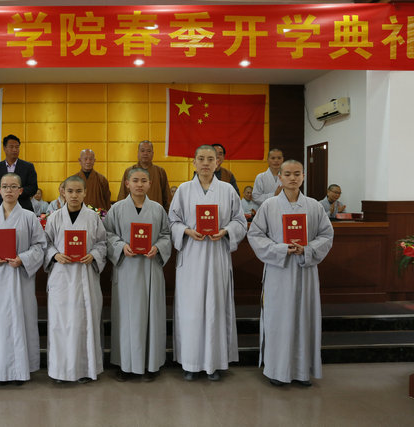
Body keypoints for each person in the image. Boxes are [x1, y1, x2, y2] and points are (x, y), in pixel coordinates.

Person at [247, 160, 334, 387]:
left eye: (297, 174)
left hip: (306, 270)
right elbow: (255, 235)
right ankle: (277, 370)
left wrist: (308, 249)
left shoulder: (314, 206)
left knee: (304, 317)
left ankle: (302, 371)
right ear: (280, 178)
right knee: (279, 319)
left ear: (303, 176)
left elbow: (326, 235)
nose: (292, 178)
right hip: (279, 270)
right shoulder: (269, 206)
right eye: (287, 174)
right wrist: (280, 249)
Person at [168, 145, 247, 382]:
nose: (205, 163)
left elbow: (240, 222)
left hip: (216, 256)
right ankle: (191, 363)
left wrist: (225, 231)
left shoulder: (227, 190)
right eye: (201, 158)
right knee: (190, 310)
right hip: (191, 256)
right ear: (193, 162)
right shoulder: (184, 190)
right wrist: (186, 231)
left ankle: (215, 363)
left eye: (210, 159)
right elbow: (172, 222)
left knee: (215, 307)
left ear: (217, 163)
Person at [0, 173, 46, 385]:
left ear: (20, 191)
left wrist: (23, 259)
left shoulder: (29, 217)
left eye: (13, 186)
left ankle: (20, 370)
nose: (9, 190)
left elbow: (40, 246)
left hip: (20, 278)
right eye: (5, 186)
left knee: (21, 322)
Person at [104, 168, 171, 382]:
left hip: (150, 268)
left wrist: (158, 247)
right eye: (135, 180)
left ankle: (151, 364)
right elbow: (107, 234)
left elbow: (166, 235)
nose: (139, 184)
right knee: (126, 318)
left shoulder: (158, 209)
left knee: (152, 316)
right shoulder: (117, 209)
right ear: (127, 184)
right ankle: (125, 365)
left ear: (150, 184)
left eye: (143, 181)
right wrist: (120, 246)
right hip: (126, 269)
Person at [43, 176, 107, 383]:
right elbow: (45, 243)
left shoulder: (93, 217)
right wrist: (55, 254)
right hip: (62, 277)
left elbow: (102, 243)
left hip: (85, 276)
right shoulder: (54, 218)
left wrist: (94, 255)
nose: (74, 195)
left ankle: (85, 370)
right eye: (70, 191)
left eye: (79, 191)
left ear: (85, 193)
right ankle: (61, 371)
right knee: (60, 324)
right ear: (63, 192)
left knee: (84, 323)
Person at [0, 134, 38, 212]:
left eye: (17, 147)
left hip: (23, 207)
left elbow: (33, 188)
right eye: (11, 147)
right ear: (4, 148)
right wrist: (4, 194)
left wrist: (16, 193)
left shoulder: (28, 167)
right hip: (0, 208)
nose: (14, 150)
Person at [117, 141, 173, 211]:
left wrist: (167, 213)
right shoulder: (129, 171)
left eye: (148, 151)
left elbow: (167, 196)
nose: (145, 153)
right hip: (132, 212)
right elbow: (122, 194)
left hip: (155, 212)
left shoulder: (160, 172)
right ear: (138, 153)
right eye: (142, 151)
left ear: (153, 154)